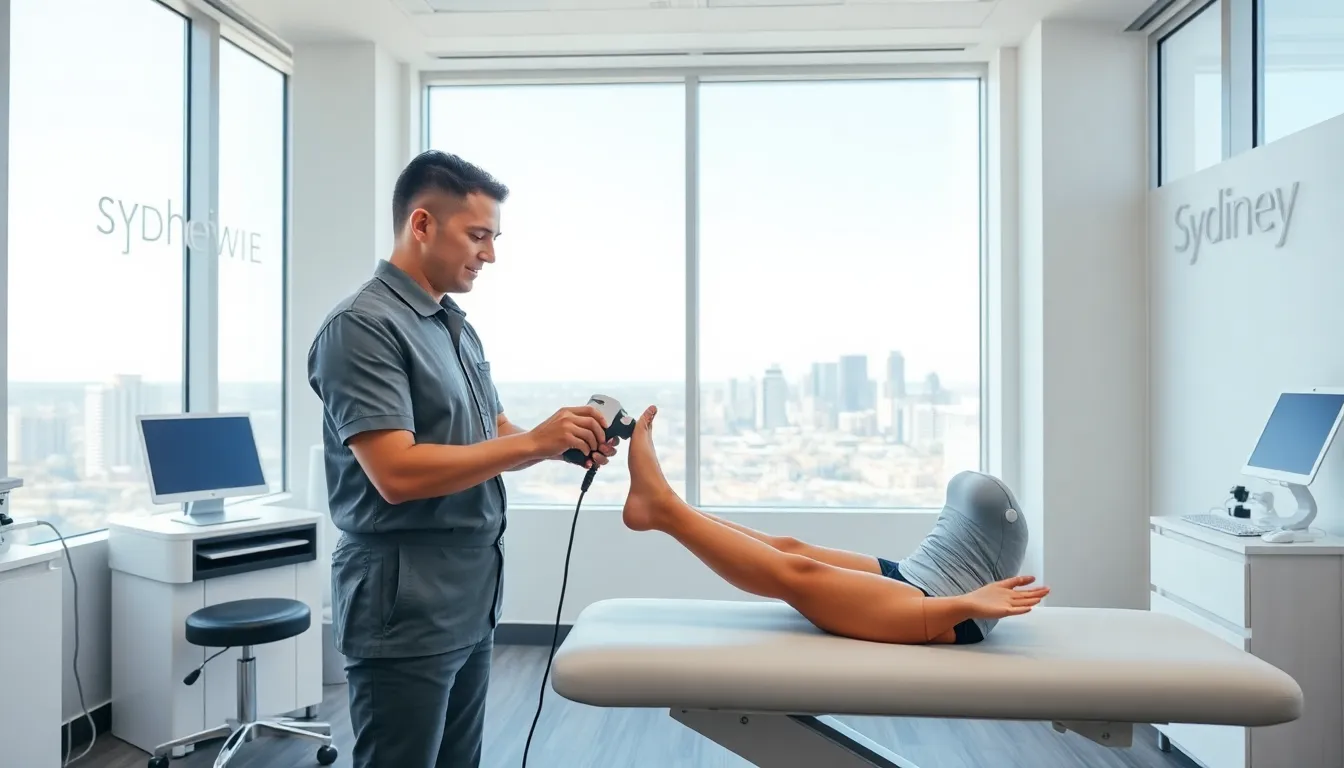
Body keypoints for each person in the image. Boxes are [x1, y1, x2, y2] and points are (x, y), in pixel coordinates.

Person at [306, 150, 621, 768]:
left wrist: (557, 442)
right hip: (404, 604)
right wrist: (532, 442)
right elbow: (395, 473)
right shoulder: (361, 328)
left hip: (471, 597)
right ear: (422, 225)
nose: (491, 254)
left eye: (494, 238)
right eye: (478, 235)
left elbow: (493, 430)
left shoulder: (454, 325)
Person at [620, 405, 1047, 644]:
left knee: (797, 574)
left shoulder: (961, 611)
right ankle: (663, 505)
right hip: (919, 579)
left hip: (943, 612)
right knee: (789, 547)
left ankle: (663, 508)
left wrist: (970, 603)